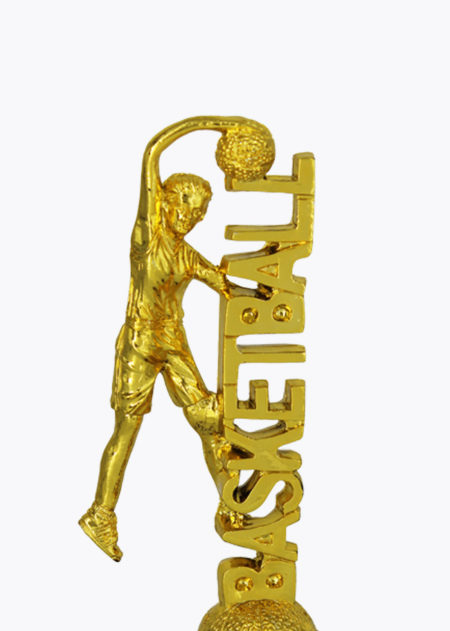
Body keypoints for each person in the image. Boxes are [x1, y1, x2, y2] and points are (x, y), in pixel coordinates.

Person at [79, 171, 232, 561]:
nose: (191, 218)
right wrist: (190, 135)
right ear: (165, 202)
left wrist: (269, 290)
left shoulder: (187, 254)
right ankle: (100, 515)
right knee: (126, 431)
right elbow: (151, 158)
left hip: (174, 343)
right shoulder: (147, 238)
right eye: (186, 208)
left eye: (199, 213)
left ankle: (232, 501)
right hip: (139, 345)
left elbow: (224, 284)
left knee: (210, 422)